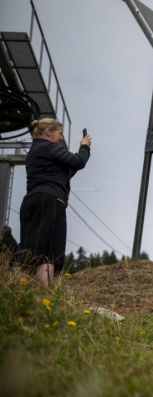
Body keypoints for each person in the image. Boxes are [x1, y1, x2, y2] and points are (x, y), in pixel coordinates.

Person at [19, 119, 91, 286]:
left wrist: (78, 154)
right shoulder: (48, 147)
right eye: (59, 133)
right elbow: (78, 163)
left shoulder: (37, 151)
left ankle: (21, 293)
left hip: (33, 201)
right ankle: (45, 298)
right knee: (48, 252)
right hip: (50, 201)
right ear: (48, 132)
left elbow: (65, 172)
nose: (61, 138)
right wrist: (85, 147)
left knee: (29, 253)